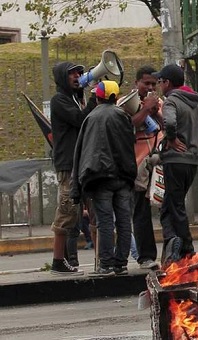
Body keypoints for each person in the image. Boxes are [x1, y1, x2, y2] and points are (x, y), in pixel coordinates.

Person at [71, 80, 137, 277]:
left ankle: (106, 265)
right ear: (116, 97)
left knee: (105, 221)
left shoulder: (90, 118)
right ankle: (121, 264)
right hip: (123, 177)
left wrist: (77, 188)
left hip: (100, 177)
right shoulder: (124, 116)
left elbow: (80, 153)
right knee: (124, 221)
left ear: (97, 97)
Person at [49, 61, 97, 275]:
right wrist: (94, 100)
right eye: (73, 74)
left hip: (83, 163)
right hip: (69, 165)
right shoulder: (59, 100)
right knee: (67, 212)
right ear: (62, 77)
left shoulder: (75, 99)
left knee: (96, 211)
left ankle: (101, 260)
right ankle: (58, 261)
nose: (78, 76)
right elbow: (80, 119)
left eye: (80, 73)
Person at [154, 64, 198, 265]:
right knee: (169, 205)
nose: (158, 85)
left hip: (175, 159)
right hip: (192, 160)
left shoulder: (171, 101)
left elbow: (170, 123)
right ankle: (173, 240)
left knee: (175, 206)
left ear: (167, 82)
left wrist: (171, 139)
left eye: (159, 81)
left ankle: (186, 247)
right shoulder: (193, 102)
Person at [122, 65, 162, 270]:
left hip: (158, 163)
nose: (150, 87)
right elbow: (126, 127)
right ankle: (145, 256)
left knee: (167, 208)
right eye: (146, 83)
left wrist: (155, 111)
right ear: (136, 83)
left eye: (154, 84)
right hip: (138, 166)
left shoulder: (158, 103)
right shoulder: (127, 103)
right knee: (141, 211)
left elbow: (166, 126)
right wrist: (145, 109)